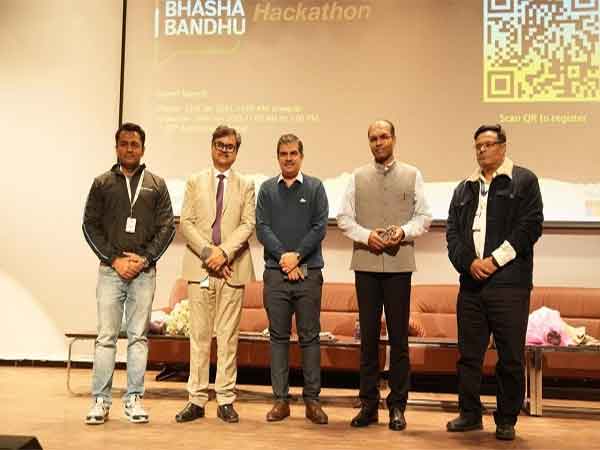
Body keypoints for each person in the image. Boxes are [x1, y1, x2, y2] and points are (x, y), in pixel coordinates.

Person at [445, 124, 543, 441]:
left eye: (489, 144)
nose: (483, 150)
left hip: (509, 285)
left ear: (502, 146)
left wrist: (494, 261)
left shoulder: (524, 181)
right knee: (469, 355)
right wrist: (470, 263)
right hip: (471, 284)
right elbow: (453, 235)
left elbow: (530, 228)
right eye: (478, 146)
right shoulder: (464, 188)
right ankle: (470, 414)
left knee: (510, 355)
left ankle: (506, 419)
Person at [337, 120, 431, 431]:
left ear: (393, 139)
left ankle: (397, 407)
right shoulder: (357, 177)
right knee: (367, 339)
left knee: (399, 340)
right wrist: (367, 236)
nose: (379, 142)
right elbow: (344, 218)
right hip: (365, 264)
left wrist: (402, 232)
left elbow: (424, 217)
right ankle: (368, 405)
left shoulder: (412, 174)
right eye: (373, 138)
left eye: (384, 137)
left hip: (399, 266)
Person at [82, 122, 175, 424]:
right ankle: (100, 401)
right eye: (124, 144)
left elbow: (167, 227)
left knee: (138, 338)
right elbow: (89, 225)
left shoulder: (156, 184)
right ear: (117, 147)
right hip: (110, 271)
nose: (129, 149)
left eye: (135, 144)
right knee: (106, 337)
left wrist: (145, 259)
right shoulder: (101, 183)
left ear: (143, 148)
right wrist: (114, 260)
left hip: (144, 273)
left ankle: (134, 399)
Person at [175, 125, 256, 424]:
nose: (225, 150)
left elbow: (248, 224)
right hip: (201, 268)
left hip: (232, 268)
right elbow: (187, 222)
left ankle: (225, 399)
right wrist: (210, 254)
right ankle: (196, 399)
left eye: (231, 146)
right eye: (220, 145)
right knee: (199, 336)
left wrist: (225, 253)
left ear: (236, 151)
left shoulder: (247, 184)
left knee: (228, 337)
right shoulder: (194, 181)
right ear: (212, 147)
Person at [256, 134, 329, 424]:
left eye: (293, 153)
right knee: (278, 339)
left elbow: (319, 227)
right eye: (283, 154)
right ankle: (280, 401)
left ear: (301, 156)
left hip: (308, 274)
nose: (288, 158)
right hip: (275, 275)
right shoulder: (265, 190)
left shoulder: (315, 188)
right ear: (278, 157)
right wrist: (285, 259)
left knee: (310, 338)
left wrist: (296, 257)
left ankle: (312, 401)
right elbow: (262, 228)